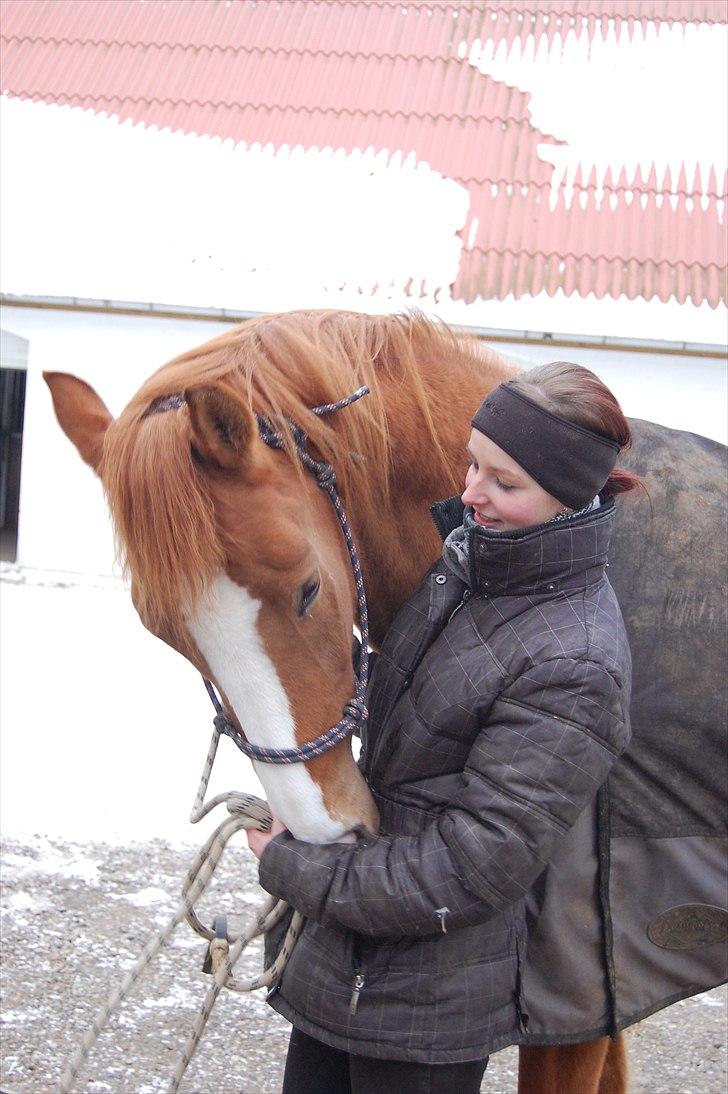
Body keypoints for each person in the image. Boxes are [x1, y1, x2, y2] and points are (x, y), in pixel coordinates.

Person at [247, 362, 640, 1094]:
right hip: (351, 964)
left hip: (428, 1009)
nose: (471, 493)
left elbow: (472, 867)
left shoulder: (577, 660)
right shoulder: (470, 565)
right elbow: (421, 712)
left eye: (505, 482)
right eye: (472, 463)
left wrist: (293, 865)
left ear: (569, 494)